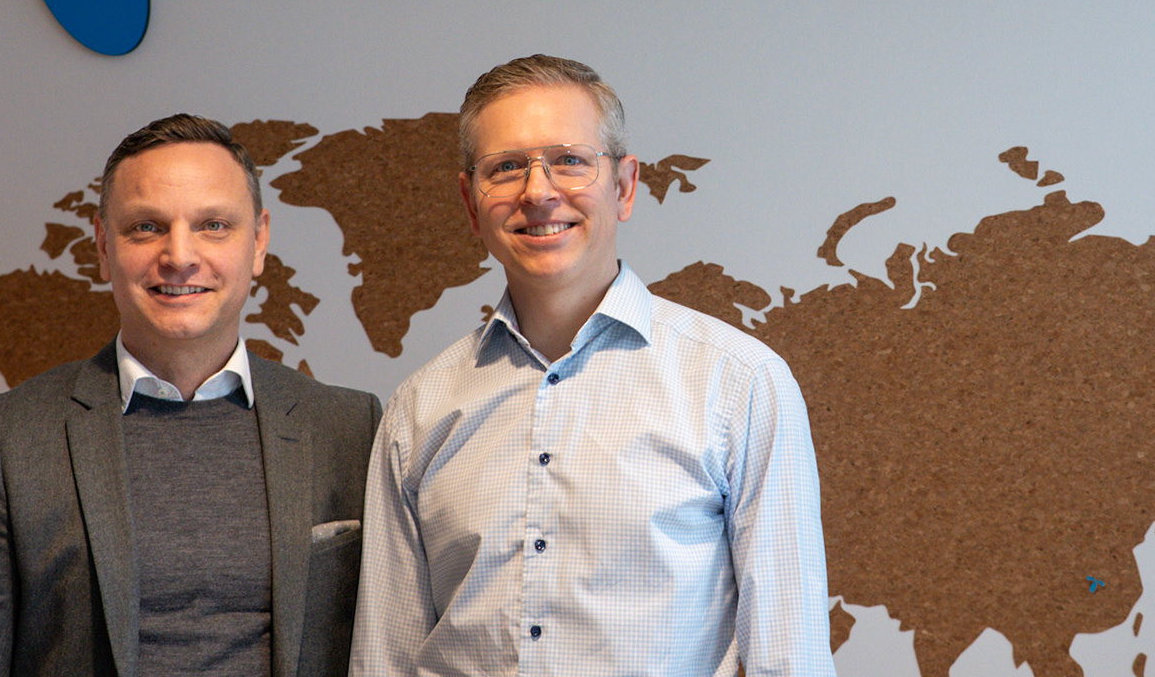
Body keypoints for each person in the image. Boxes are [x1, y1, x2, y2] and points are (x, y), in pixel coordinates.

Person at [352, 56, 835, 677]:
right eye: (506, 168)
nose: (538, 192)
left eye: (570, 160)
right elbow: (384, 660)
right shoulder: (417, 409)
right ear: (471, 204)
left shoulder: (739, 384)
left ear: (625, 187)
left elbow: (790, 658)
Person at [0, 114, 382, 677]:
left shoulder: (352, 429)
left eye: (213, 225)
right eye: (146, 227)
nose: (179, 256)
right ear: (103, 246)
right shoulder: (6, 442)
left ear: (259, 242)